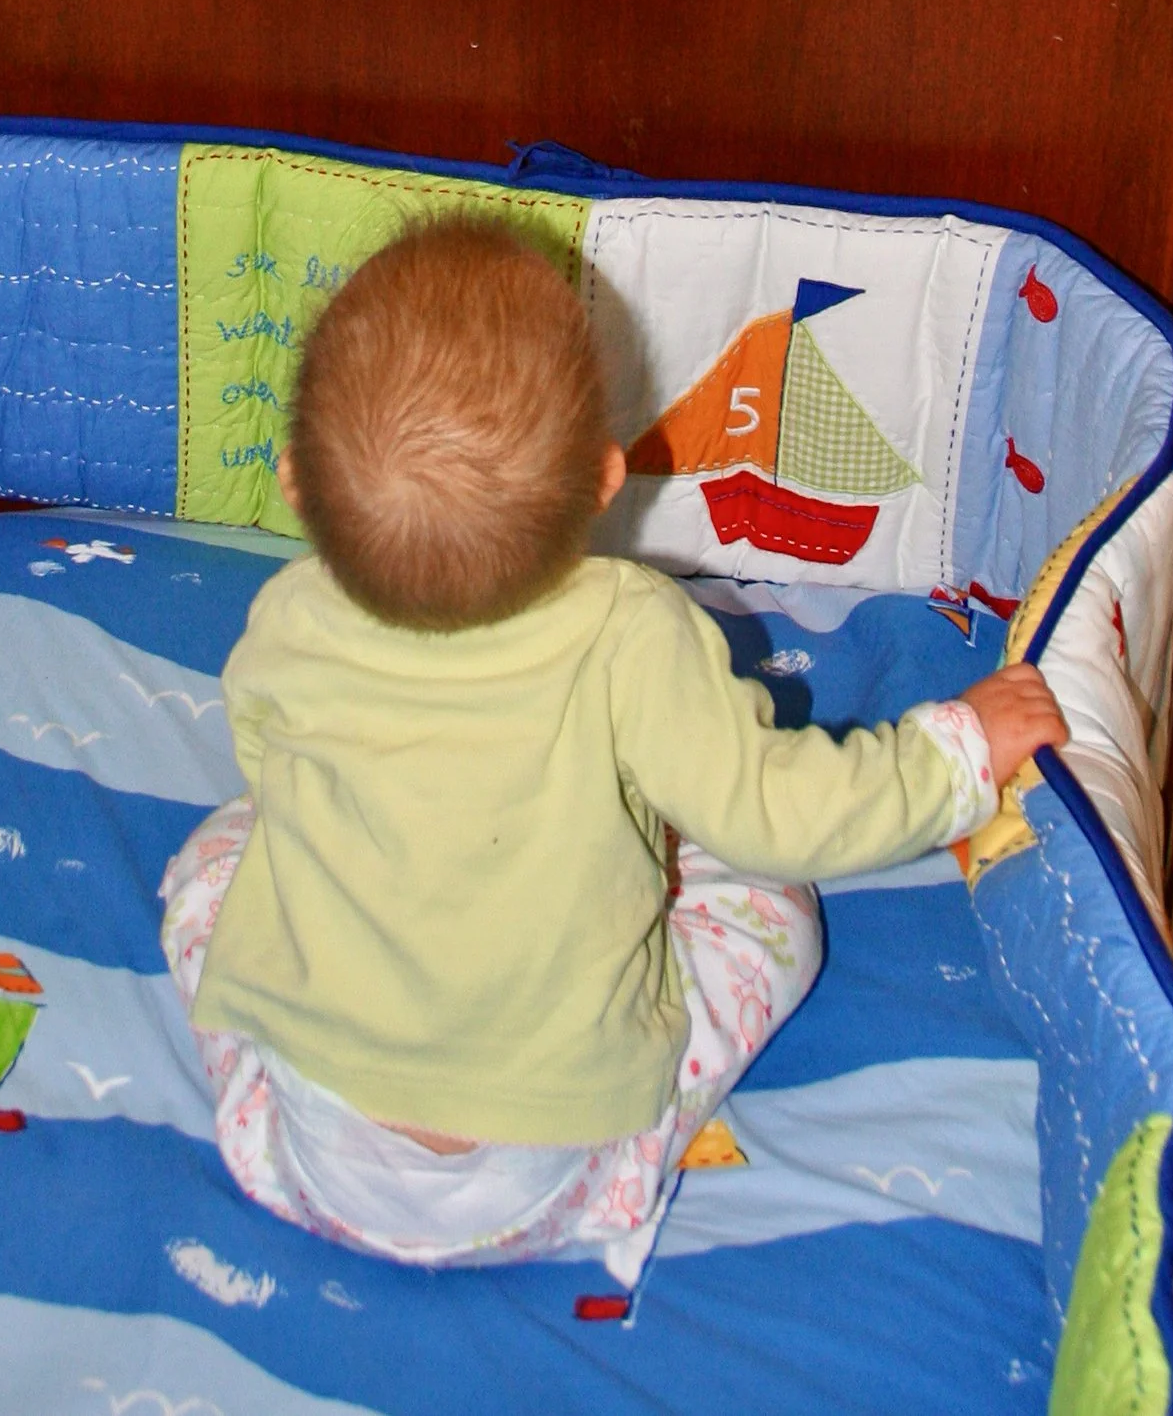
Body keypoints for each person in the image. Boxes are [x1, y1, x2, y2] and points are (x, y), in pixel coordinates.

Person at [161, 218, 1069, 1280]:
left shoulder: (287, 619)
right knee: (776, 904)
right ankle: (634, 1149)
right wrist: (956, 748)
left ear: (294, 486)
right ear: (605, 480)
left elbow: (268, 767)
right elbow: (784, 812)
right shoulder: (634, 630)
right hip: (557, 1159)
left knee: (215, 862)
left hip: (309, 1139)